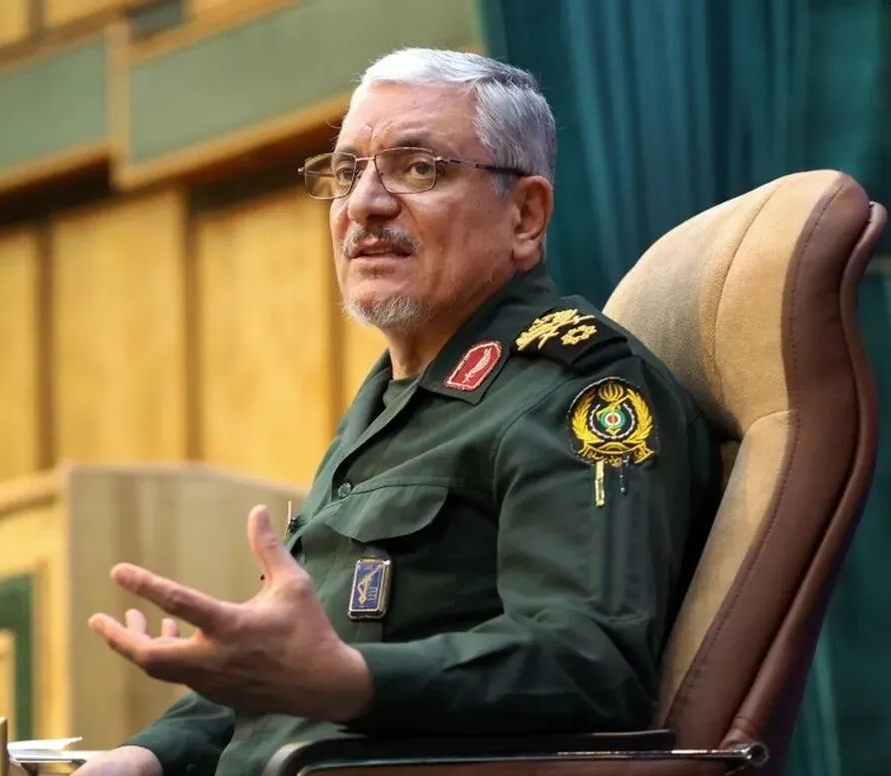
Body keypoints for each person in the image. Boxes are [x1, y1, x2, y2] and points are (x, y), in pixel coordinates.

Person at [75, 48, 720, 776]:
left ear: (526, 215)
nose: (364, 204)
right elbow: (288, 681)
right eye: (347, 171)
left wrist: (352, 682)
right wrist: (145, 757)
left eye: (418, 169)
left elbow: (589, 664)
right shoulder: (389, 400)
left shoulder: (576, 391)